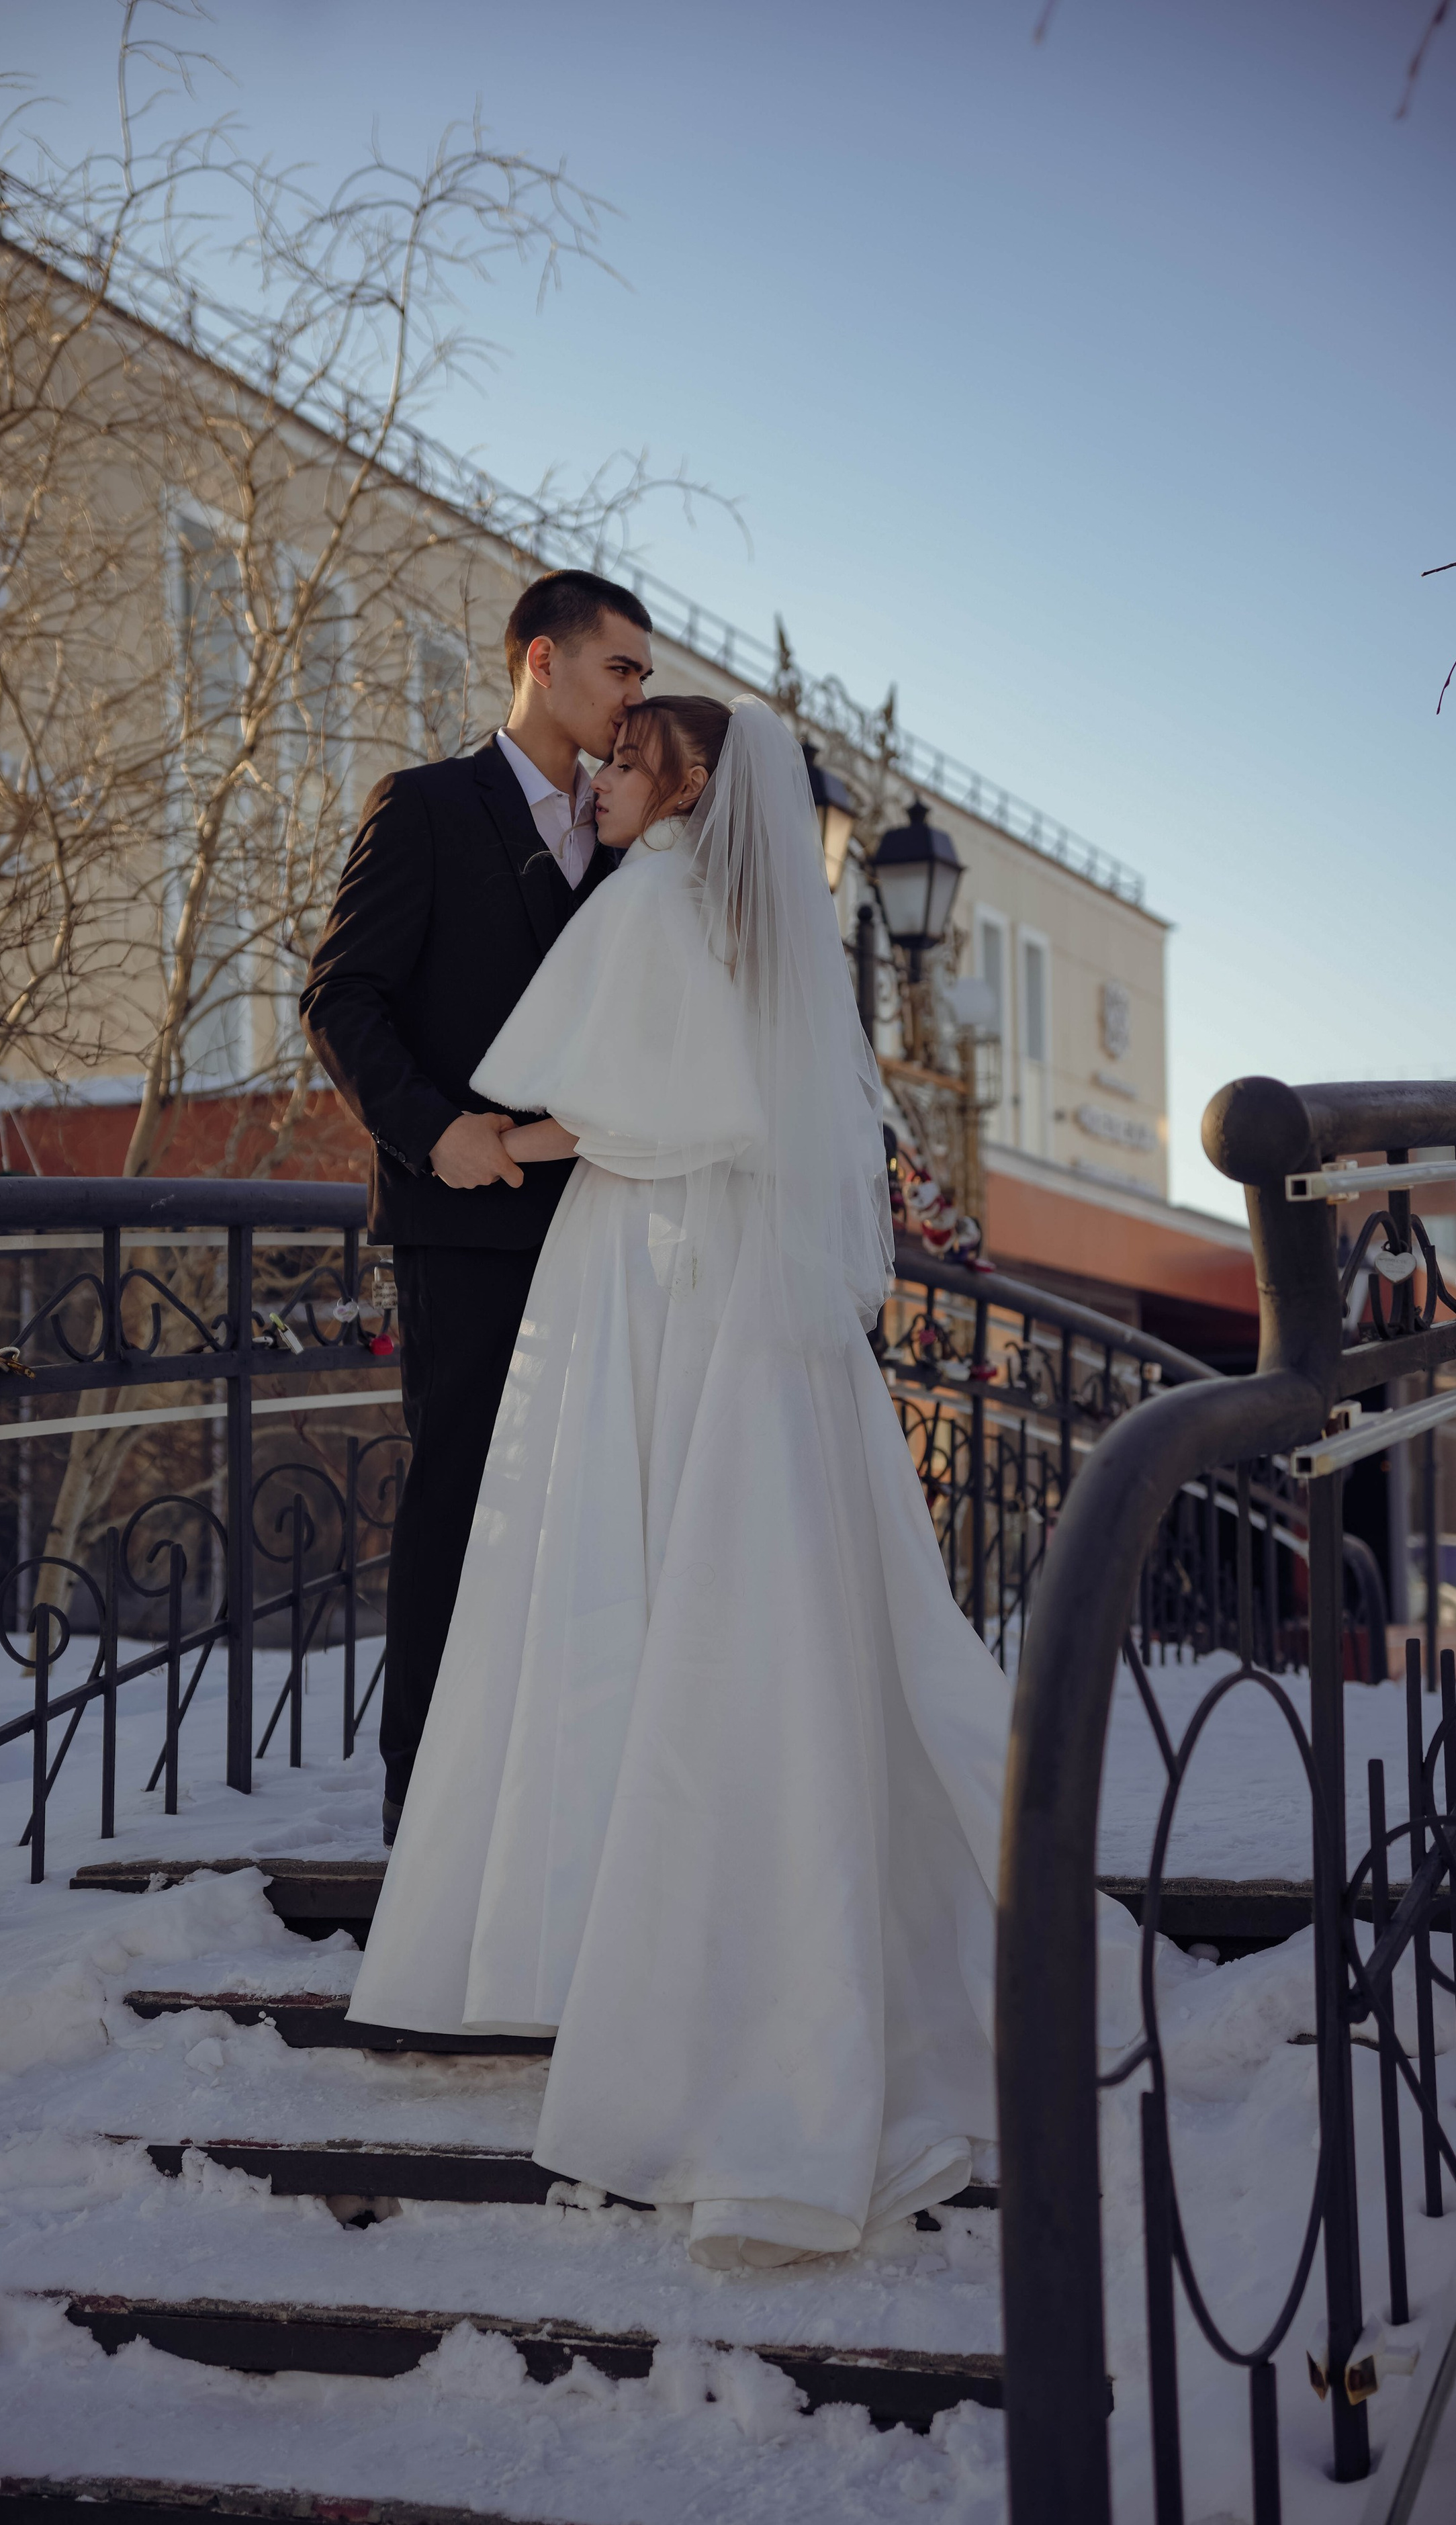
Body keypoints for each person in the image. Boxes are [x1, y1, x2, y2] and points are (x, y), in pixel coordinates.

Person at [348, 694, 1018, 2270]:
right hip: (736, 1276)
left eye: (624, 759)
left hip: (647, 1268)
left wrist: (502, 1141)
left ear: (687, 781)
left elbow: (640, 1109)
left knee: (616, 1554)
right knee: (742, 1575)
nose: (596, 779)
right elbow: (750, 1105)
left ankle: (597, 1932)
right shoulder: (742, 916)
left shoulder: (648, 899)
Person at [300, 570, 653, 1843]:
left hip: (617, 1231)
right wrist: (435, 1130)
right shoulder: (429, 806)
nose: (635, 699)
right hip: (470, 1227)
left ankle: (569, 1809)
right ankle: (430, 1824)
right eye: (621, 670)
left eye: (645, 679)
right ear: (542, 662)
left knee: (602, 1517)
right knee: (465, 1505)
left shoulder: (638, 833)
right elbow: (342, 998)